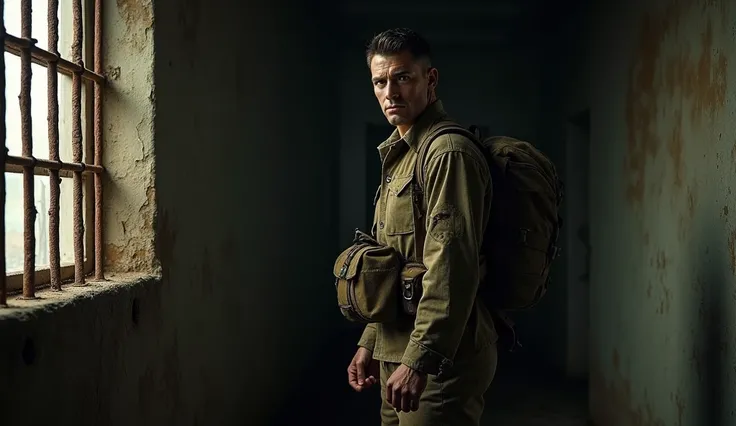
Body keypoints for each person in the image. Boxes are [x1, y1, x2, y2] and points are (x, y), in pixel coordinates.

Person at [346, 28, 498, 426]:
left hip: (438, 365)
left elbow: (452, 266)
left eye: (403, 77)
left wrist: (418, 362)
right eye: (380, 81)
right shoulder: (399, 156)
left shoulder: (447, 153)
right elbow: (391, 265)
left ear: (430, 80)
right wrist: (370, 342)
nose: (390, 92)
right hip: (395, 353)